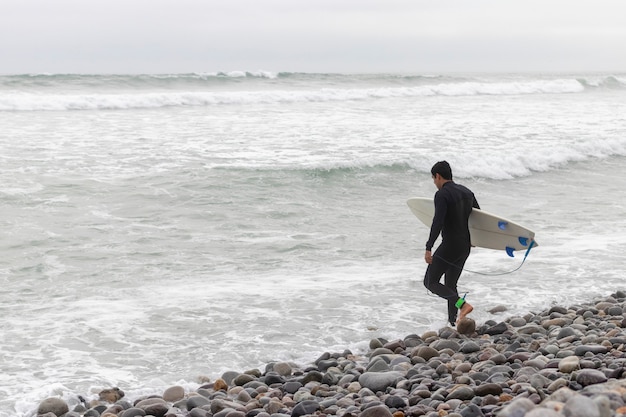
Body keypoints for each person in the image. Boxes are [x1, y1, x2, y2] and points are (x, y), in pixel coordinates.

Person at [424, 161, 479, 326]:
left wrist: (429, 247)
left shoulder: (442, 194)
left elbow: (438, 222)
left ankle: (463, 305)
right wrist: (475, 239)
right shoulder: (467, 192)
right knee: (450, 284)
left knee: (430, 282)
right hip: (464, 245)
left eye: (434, 179)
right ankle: (453, 322)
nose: (434, 183)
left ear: (438, 176)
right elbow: (479, 217)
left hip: (450, 245)